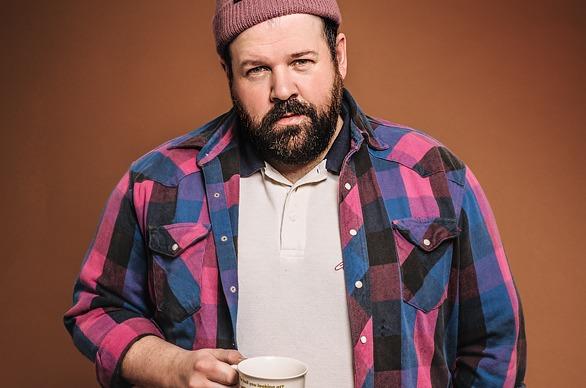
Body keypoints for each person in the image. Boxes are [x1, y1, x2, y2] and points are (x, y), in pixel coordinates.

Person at [64, 1, 526, 387]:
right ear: (228, 73)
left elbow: (494, 345)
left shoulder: (433, 175)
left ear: (339, 55)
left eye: (301, 62)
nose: (282, 89)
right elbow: (97, 308)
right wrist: (170, 365)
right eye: (256, 70)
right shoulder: (159, 181)